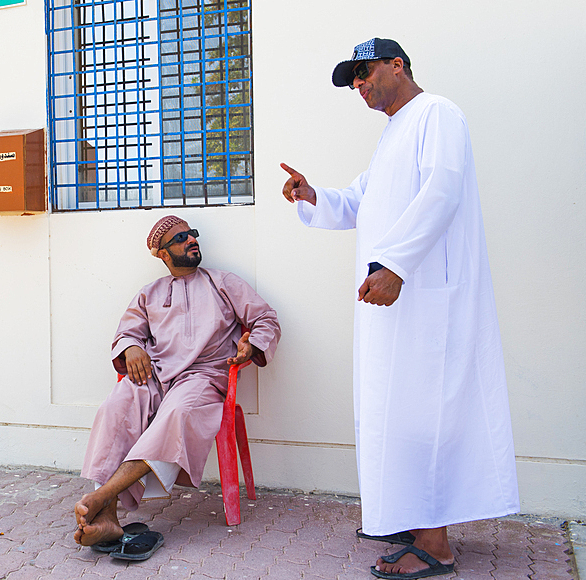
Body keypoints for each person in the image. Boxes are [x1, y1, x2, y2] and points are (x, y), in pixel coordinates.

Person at [281, 38, 519, 579]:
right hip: (394, 304)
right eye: (354, 83)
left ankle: (434, 545)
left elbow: (443, 192)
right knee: (394, 413)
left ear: (398, 65)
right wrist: (313, 196)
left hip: (426, 299)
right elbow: (364, 203)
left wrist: (395, 266)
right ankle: (413, 519)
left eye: (365, 74)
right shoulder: (394, 135)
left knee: (423, 412)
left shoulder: (437, 114)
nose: (360, 87)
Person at [74, 216, 281, 557]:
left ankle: (101, 497)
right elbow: (127, 333)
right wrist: (132, 347)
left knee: (178, 412)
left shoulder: (223, 282)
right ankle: (108, 517)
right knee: (116, 406)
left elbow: (266, 319)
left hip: (205, 376)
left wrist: (253, 345)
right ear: (163, 254)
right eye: (181, 238)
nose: (191, 240)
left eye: (192, 234)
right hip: (156, 375)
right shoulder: (149, 294)